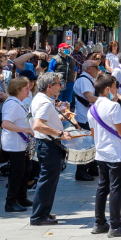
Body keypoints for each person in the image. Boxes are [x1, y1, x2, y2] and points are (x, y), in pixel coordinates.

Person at [88, 74, 121, 237]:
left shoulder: (92, 108)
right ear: (107, 89)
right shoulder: (113, 107)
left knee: (102, 188)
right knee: (116, 189)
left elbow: (92, 133)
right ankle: (116, 226)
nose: (116, 90)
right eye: (115, 87)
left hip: (101, 152)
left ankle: (99, 223)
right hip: (116, 154)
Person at [30, 72, 73, 225]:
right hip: (48, 144)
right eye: (58, 84)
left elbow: (45, 121)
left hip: (46, 144)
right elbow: (38, 125)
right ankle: (38, 216)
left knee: (49, 181)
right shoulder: (45, 102)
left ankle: (43, 213)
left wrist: (60, 117)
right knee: (47, 182)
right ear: (49, 86)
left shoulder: (42, 99)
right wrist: (60, 133)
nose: (61, 87)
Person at [0, 77, 34, 212]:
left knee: (25, 171)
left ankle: (21, 197)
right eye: (26, 88)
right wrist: (25, 129)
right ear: (18, 89)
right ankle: (10, 202)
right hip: (14, 144)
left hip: (22, 143)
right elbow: (5, 123)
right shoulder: (12, 104)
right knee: (17, 173)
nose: (29, 90)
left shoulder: (19, 102)